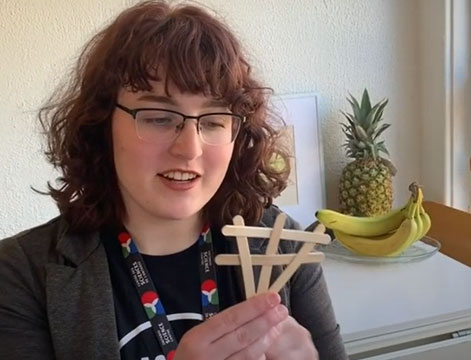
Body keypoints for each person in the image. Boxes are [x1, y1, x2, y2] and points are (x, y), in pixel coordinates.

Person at [0, 1, 347, 359]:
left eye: (213, 120)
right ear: (101, 123)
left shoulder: (282, 246)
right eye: (158, 117)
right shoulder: (22, 275)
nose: (189, 148)